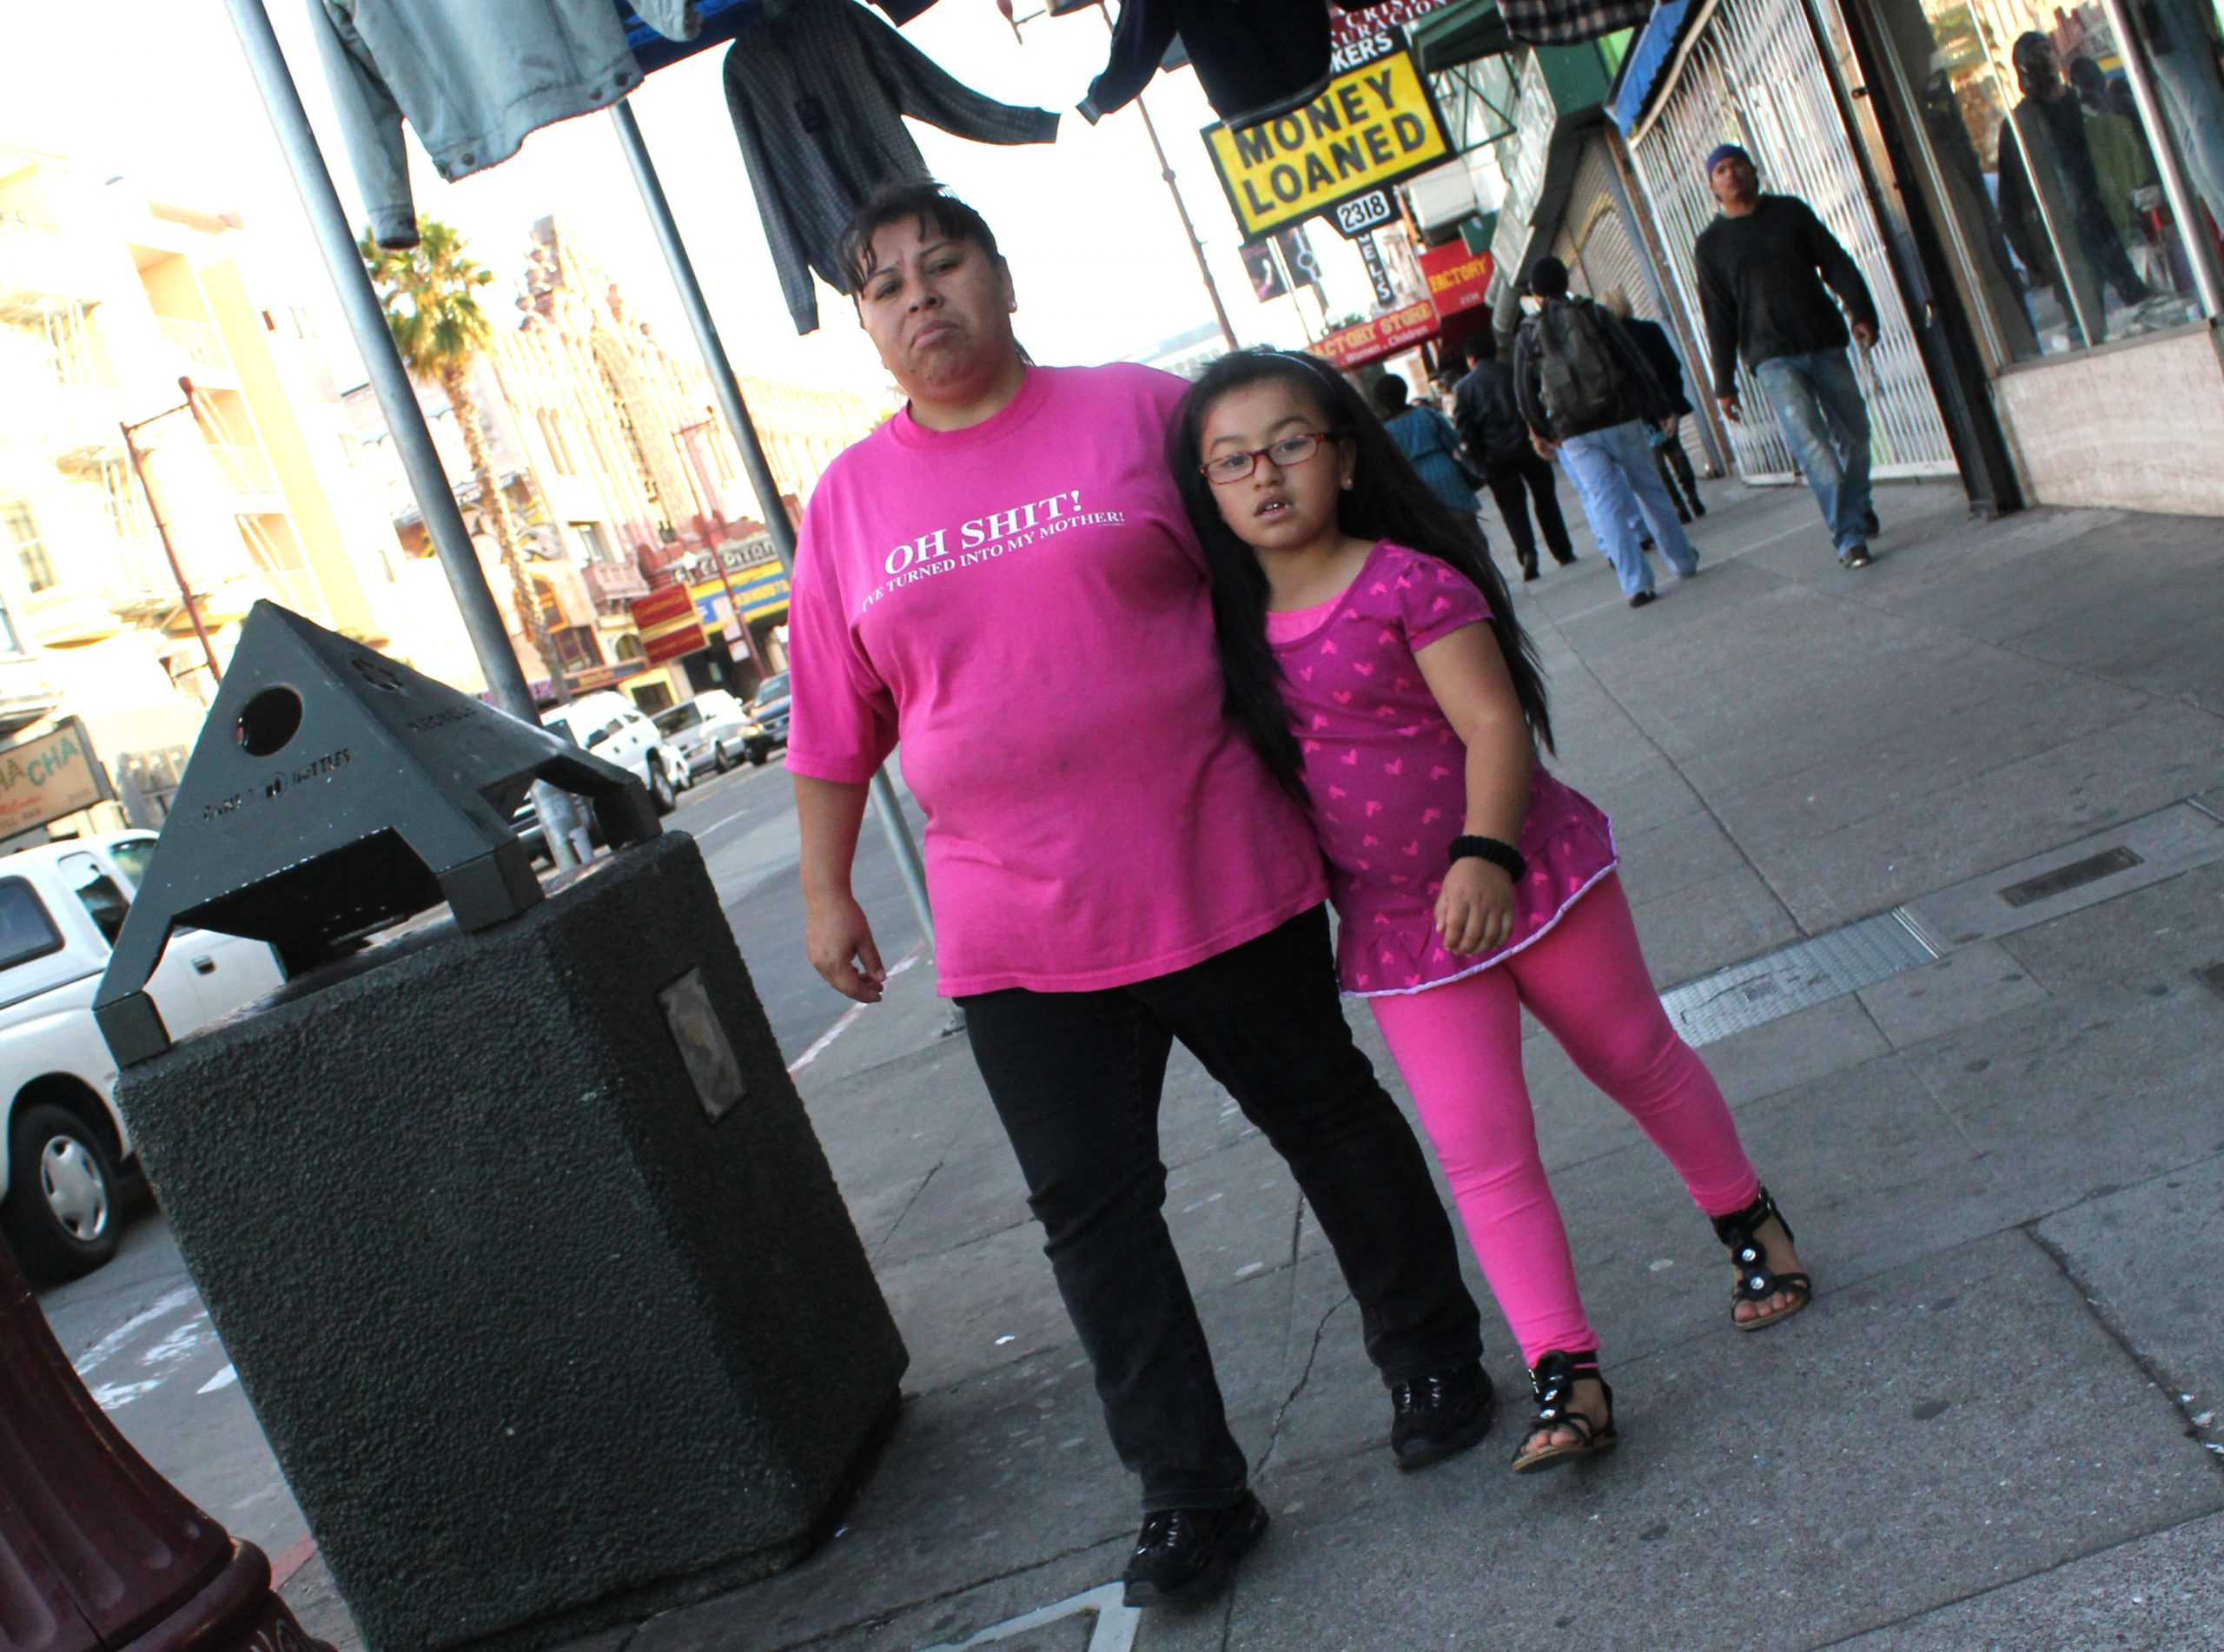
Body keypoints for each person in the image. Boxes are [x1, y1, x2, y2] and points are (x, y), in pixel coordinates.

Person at [784, 182, 1491, 1610]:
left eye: (943, 265)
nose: (921, 299)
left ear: (1002, 274)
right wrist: (825, 886)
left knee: (1328, 1119)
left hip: (1215, 859)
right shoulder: (848, 501)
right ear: (863, 324)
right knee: (1092, 1217)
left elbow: (1297, 561)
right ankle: (1190, 1490)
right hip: (1011, 924)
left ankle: (1432, 1357)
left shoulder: (1143, 415)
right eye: (885, 286)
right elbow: (830, 712)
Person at [1169, 347, 1812, 1475]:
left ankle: (1747, 1218)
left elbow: (1494, 723)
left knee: (1633, 1056)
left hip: (1533, 874)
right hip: (1405, 936)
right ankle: (1566, 1370)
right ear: (1207, 492)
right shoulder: (1223, 639)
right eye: (1232, 462)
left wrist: (1485, 852)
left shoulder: (1407, 583)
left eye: (1289, 445)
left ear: (1345, 458)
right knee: (1479, 1149)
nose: (1264, 474)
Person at [1695, 143, 1882, 568]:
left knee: (1855, 433)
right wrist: (1724, 383)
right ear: (1713, 187)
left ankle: (1857, 504)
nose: (1731, 174)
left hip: (1823, 340)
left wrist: (1860, 311)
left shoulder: (1790, 213)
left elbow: (1835, 262)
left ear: (1753, 170)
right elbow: (1718, 317)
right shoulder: (1711, 245)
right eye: (1720, 171)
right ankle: (1849, 537)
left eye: (1737, 165)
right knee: (1814, 446)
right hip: (1772, 358)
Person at [1512, 257, 1698, 610]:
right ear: (1566, 283)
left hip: (1574, 433)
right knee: (1651, 490)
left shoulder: (1527, 334)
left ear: (1535, 294)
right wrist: (1660, 406)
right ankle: (1683, 561)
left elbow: (1523, 392)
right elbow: (1633, 360)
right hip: (1621, 416)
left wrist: (1543, 431)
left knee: (1605, 505)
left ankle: (1636, 585)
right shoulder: (1595, 314)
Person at [1998, 33, 2154, 347]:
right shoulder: (2021, 124)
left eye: (2046, 52)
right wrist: (2033, 257)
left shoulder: (2081, 105)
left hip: (2107, 222)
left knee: (2140, 302)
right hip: (2065, 238)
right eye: (2034, 58)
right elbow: (2011, 200)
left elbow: (2118, 155)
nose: (2044, 62)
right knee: (2087, 325)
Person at [1453, 330, 1574, 582]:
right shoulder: (1512, 372)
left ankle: (1527, 552)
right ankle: (1562, 550)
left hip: (1495, 457)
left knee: (1512, 508)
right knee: (1546, 499)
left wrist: (1479, 457)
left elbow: (1465, 429)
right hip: (1529, 446)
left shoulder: (1463, 388)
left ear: (1471, 358)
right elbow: (1535, 403)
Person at [1598, 287, 1704, 524]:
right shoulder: (1650, 329)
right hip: (1665, 398)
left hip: (1638, 407)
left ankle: (1678, 506)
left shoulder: (1608, 342)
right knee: (1675, 448)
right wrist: (1674, 394)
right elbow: (1673, 364)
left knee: (1656, 459)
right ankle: (1693, 496)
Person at [1372, 373, 1481, 515]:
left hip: (1417, 486)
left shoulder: (1386, 432)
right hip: (1448, 474)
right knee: (1467, 523)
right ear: (1404, 390)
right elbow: (1453, 440)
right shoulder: (1427, 414)